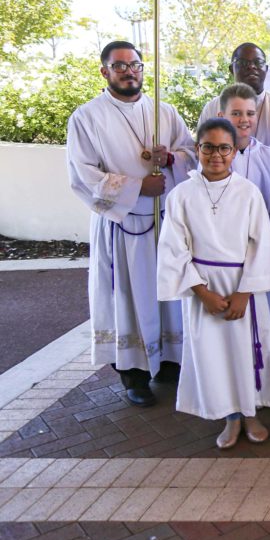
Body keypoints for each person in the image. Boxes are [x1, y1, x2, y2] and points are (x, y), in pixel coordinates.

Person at [67, 41, 195, 406]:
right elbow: (83, 175)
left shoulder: (164, 112)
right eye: (119, 65)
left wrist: (171, 158)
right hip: (122, 226)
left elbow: (190, 152)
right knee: (127, 296)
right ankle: (134, 374)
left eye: (135, 65)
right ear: (104, 71)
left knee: (166, 295)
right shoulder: (87, 117)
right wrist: (139, 187)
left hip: (164, 222)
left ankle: (169, 361)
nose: (129, 71)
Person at [157, 118, 270, 449]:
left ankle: (251, 413)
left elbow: (261, 244)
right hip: (203, 287)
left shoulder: (248, 192)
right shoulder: (182, 195)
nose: (216, 155)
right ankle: (230, 416)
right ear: (197, 149)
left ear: (234, 151)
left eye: (224, 148)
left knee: (246, 352)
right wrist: (202, 293)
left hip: (243, 285)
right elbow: (174, 249)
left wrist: (244, 292)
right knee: (214, 354)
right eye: (208, 147)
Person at [217, 83, 270, 393]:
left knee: (267, 324)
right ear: (222, 115)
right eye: (236, 113)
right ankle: (236, 392)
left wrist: (259, 248)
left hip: (262, 256)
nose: (244, 120)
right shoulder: (214, 156)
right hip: (225, 259)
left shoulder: (269, 156)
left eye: (249, 113)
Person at [198, 44, 270, 144]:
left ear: (266, 68)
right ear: (231, 69)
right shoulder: (213, 107)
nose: (251, 66)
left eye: (258, 62)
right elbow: (202, 148)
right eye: (243, 63)